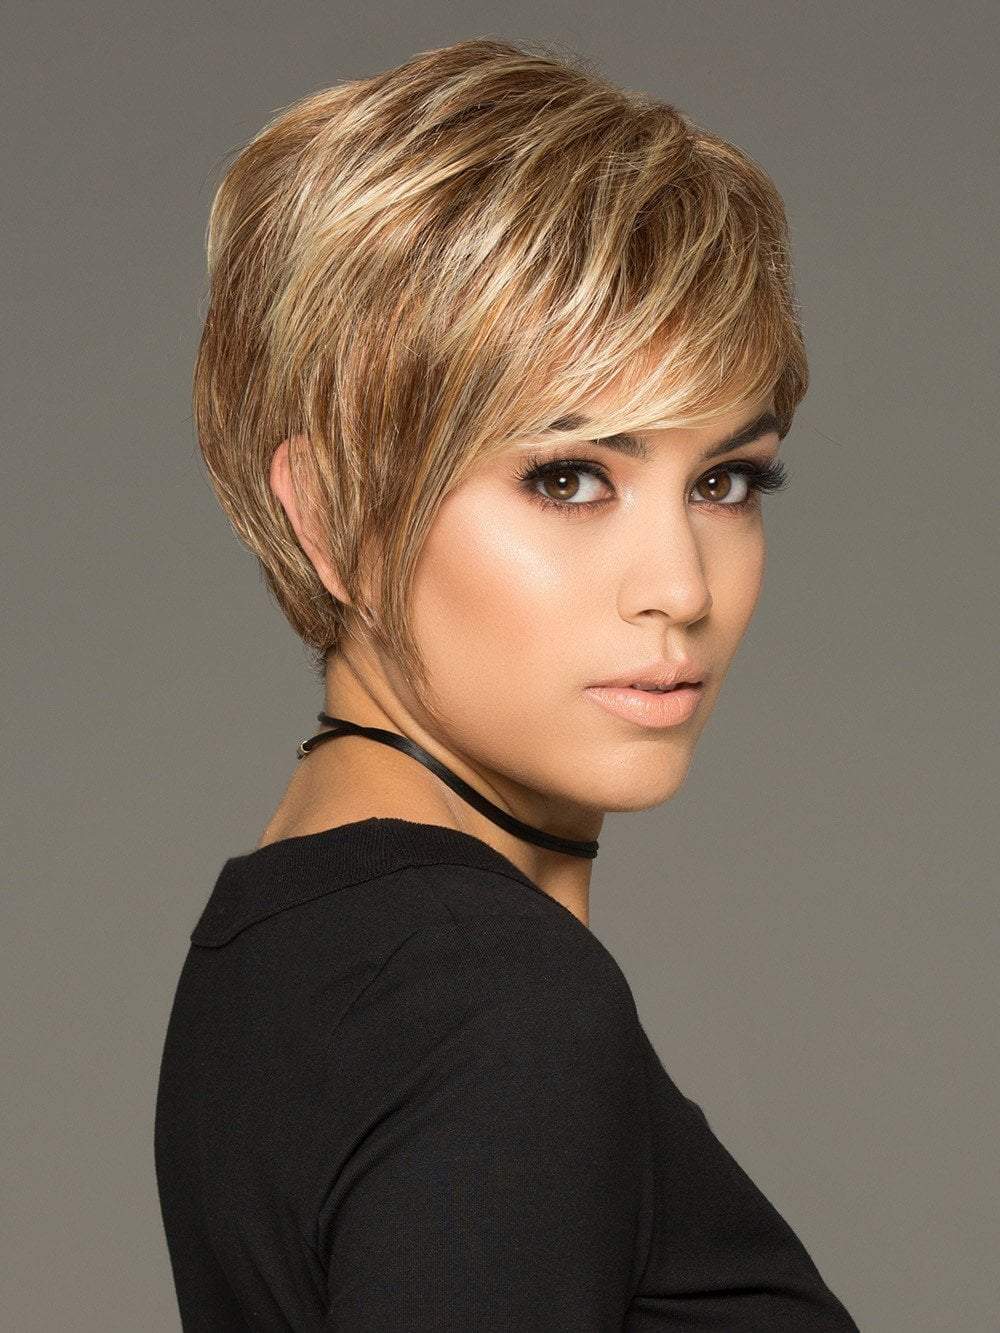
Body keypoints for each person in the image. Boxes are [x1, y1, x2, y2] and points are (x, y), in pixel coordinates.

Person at [154, 36, 861, 1330]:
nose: (681, 586)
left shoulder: (285, 949)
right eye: (569, 477)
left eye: (725, 480)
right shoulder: (494, 1003)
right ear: (332, 511)